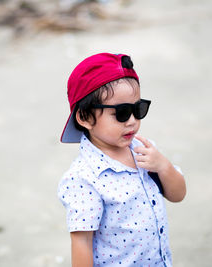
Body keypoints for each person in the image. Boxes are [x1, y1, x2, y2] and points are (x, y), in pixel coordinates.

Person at [58, 53, 186, 267]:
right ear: (85, 117)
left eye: (138, 109)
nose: (133, 121)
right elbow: (82, 243)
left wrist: (163, 166)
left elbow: (178, 194)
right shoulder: (84, 179)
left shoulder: (143, 150)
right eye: (122, 113)